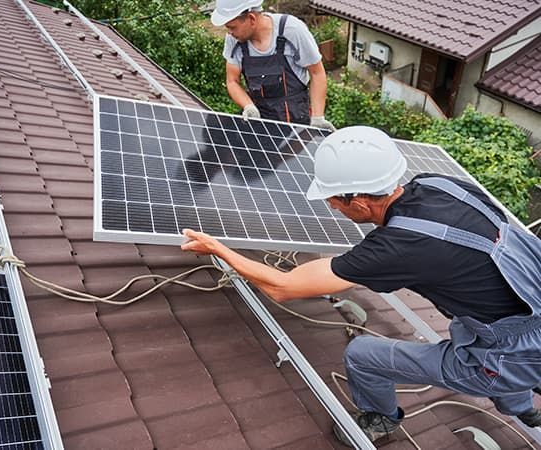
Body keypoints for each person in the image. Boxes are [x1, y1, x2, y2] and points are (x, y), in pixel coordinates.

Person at [181, 126, 541, 445]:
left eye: (334, 200)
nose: (333, 208)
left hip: (512, 350)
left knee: (362, 356)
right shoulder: (440, 184)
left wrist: (218, 248)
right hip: (527, 308)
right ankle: (524, 406)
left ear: (361, 201)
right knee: (468, 328)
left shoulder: (398, 247)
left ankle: (381, 420)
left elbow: (282, 287)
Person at [211, 0, 335, 130]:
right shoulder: (234, 40)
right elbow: (232, 81)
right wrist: (249, 106)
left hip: (295, 122)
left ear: (251, 19)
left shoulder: (292, 30)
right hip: (261, 121)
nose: (229, 32)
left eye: (232, 27)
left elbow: (317, 73)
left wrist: (317, 118)